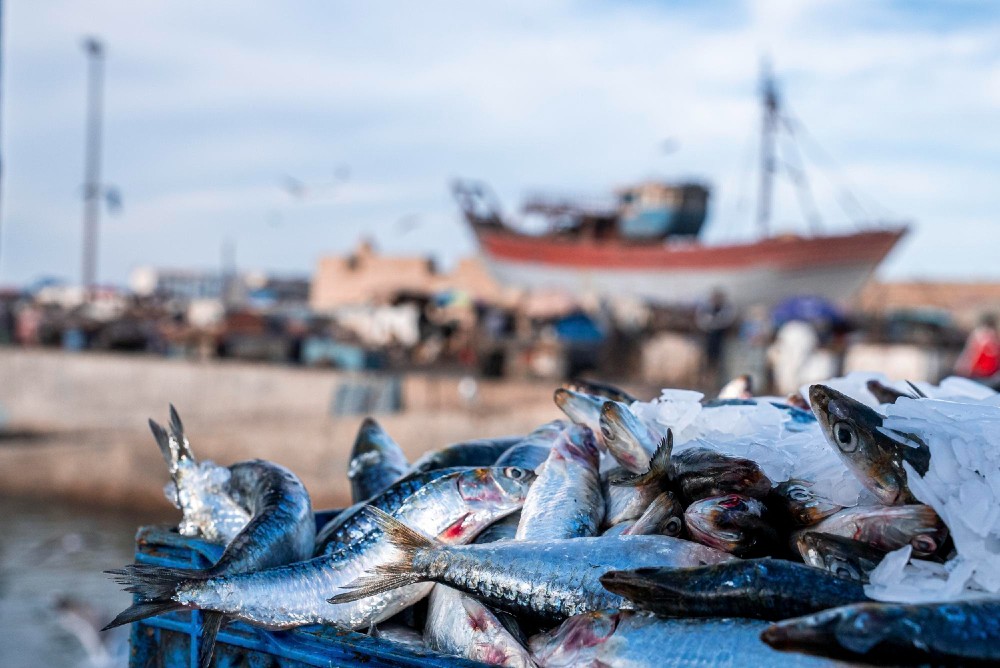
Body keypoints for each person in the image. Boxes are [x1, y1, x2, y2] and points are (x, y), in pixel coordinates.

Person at [695, 289, 736, 389]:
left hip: (720, 338)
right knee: (706, 359)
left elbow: (726, 320)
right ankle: (705, 380)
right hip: (708, 337)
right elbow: (702, 321)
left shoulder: (726, 309)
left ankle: (716, 381)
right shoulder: (706, 308)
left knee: (719, 359)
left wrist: (714, 322)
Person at [955, 314, 1000, 382]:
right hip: (987, 372)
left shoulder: (980, 334)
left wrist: (964, 367)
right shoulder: (993, 336)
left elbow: (972, 353)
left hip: (981, 371)